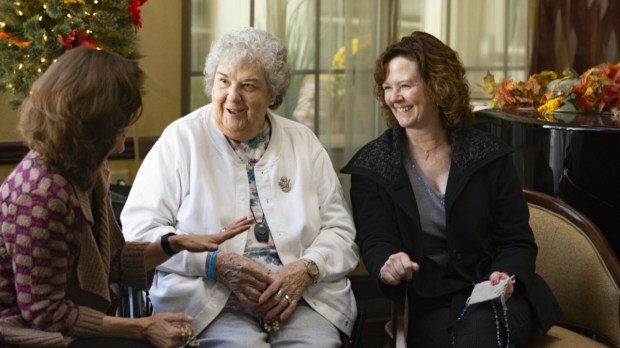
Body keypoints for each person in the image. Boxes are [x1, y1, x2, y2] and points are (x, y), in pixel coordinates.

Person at [121, 27, 359, 347]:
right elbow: (138, 231)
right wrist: (211, 263)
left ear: (272, 94)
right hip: (208, 303)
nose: (233, 96)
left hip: (299, 300)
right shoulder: (181, 140)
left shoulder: (302, 142)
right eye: (223, 81)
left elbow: (340, 231)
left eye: (248, 86)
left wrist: (307, 267)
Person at [0, 46, 252, 348]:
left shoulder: (85, 170)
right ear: (93, 127)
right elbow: (44, 313)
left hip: (66, 320)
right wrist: (140, 328)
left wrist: (173, 243)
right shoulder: (40, 197)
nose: (121, 145)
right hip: (25, 332)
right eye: (120, 129)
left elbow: (113, 262)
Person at [341, 31, 562, 347]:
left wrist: (505, 276)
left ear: (437, 86)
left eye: (405, 86)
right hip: (431, 302)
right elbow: (376, 238)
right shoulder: (373, 166)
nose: (394, 97)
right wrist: (388, 264)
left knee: (481, 326)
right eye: (388, 88)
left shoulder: (489, 156)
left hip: (497, 294)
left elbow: (516, 240)